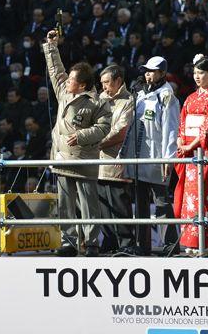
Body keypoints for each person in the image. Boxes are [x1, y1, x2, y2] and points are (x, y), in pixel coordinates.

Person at [43, 29, 111, 257]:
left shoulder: (98, 102)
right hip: (62, 157)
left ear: (82, 85)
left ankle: (92, 243)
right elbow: (55, 71)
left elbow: (104, 128)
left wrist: (81, 136)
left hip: (84, 159)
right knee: (65, 204)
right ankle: (68, 242)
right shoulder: (63, 93)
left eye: (72, 79)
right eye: (69, 77)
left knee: (89, 203)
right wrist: (52, 46)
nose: (67, 80)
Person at [123, 56, 180, 255]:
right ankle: (143, 245)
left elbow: (171, 128)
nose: (148, 74)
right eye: (146, 70)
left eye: (152, 71)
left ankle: (170, 245)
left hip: (157, 157)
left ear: (163, 73)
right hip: (140, 156)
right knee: (140, 204)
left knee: (162, 201)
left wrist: (168, 158)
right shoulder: (140, 94)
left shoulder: (166, 95)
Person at [174, 54, 208, 255]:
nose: (197, 76)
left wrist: (191, 145)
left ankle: (206, 242)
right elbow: (183, 123)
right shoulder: (190, 98)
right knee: (189, 198)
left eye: (201, 72)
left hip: (203, 153)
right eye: (195, 73)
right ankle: (191, 242)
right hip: (188, 151)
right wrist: (180, 140)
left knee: (201, 197)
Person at [97, 65, 135, 252]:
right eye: (102, 83)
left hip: (117, 161)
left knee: (119, 204)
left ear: (118, 80)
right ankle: (109, 241)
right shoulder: (99, 99)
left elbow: (121, 130)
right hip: (98, 162)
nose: (103, 87)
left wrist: (96, 143)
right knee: (103, 206)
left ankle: (126, 243)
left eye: (106, 82)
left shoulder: (128, 100)